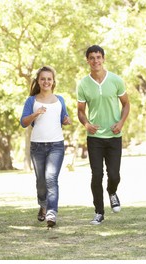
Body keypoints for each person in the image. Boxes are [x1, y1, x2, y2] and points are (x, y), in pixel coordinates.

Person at [77, 45, 130, 225]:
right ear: (87, 61)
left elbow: (126, 105)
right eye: (92, 58)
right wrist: (86, 124)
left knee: (114, 175)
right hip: (95, 138)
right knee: (96, 174)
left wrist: (121, 123)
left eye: (98, 57)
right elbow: (80, 111)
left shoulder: (115, 80)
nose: (95, 61)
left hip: (114, 135)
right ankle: (99, 212)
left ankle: (112, 191)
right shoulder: (83, 84)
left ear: (103, 59)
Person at [20, 66, 71, 227]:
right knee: (41, 182)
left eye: (49, 79)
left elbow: (64, 118)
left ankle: (51, 213)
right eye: (43, 79)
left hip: (56, 145)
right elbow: (23, 122)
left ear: (53, 81)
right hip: (37, 147)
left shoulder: (60, 100)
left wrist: (66, 120)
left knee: (51, 178)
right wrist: (36, 113)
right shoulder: (31, 100)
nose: (46, 82)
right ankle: (43, 205)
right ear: (38, 81)